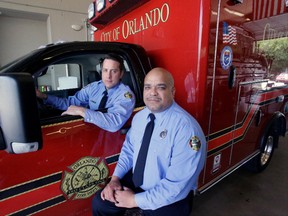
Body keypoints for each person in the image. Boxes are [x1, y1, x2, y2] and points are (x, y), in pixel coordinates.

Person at [92, 67, 207, 215]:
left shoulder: (186, 129)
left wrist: (134, 200)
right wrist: (115, 179)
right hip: (139, 182)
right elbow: (129, 150)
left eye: (161, 87)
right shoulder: (140, 117)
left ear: (173, 92)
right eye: (148, 87)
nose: (152, 92)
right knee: (100, 204)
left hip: (170, 197)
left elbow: (176, 186)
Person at [36, 53, 135, 132]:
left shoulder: (125, 95)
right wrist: (44, 97)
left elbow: (114, 124)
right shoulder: (94, 87)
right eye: (105, 70)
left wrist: (82, 111)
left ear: (121, 73)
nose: (108, 76)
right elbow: (70, 103)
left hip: (111, 141)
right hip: (92, 135)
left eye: (114, 71)